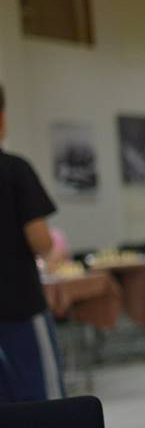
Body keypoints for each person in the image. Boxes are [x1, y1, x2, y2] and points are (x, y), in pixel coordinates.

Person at [0, 83, 65, 402]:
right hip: (18, 303)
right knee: (42, 400)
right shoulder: (14, 170)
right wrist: (51, 246)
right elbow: (39, 240)